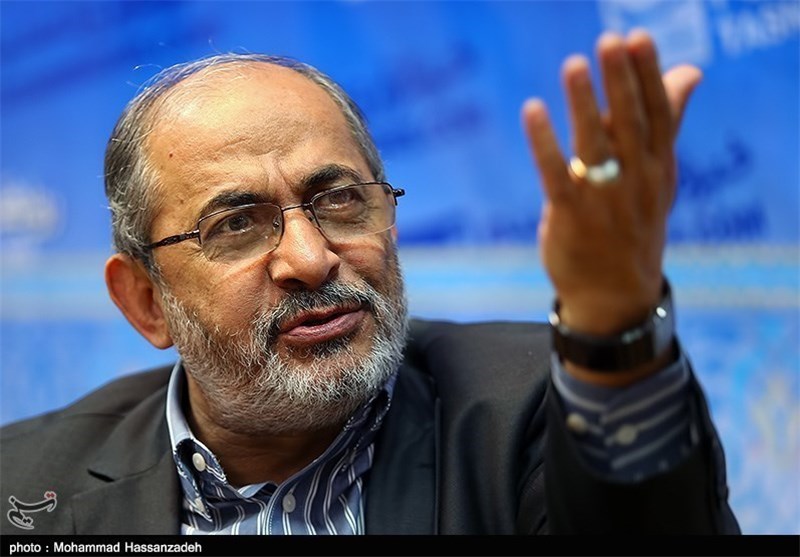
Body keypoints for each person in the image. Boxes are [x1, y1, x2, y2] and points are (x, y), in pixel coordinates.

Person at [1, 30, 740, 536]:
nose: (310, 258)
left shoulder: (539, 408)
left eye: (338, 200)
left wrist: (612, 319)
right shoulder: (24, 486)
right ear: (145, 301)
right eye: (237, 224)